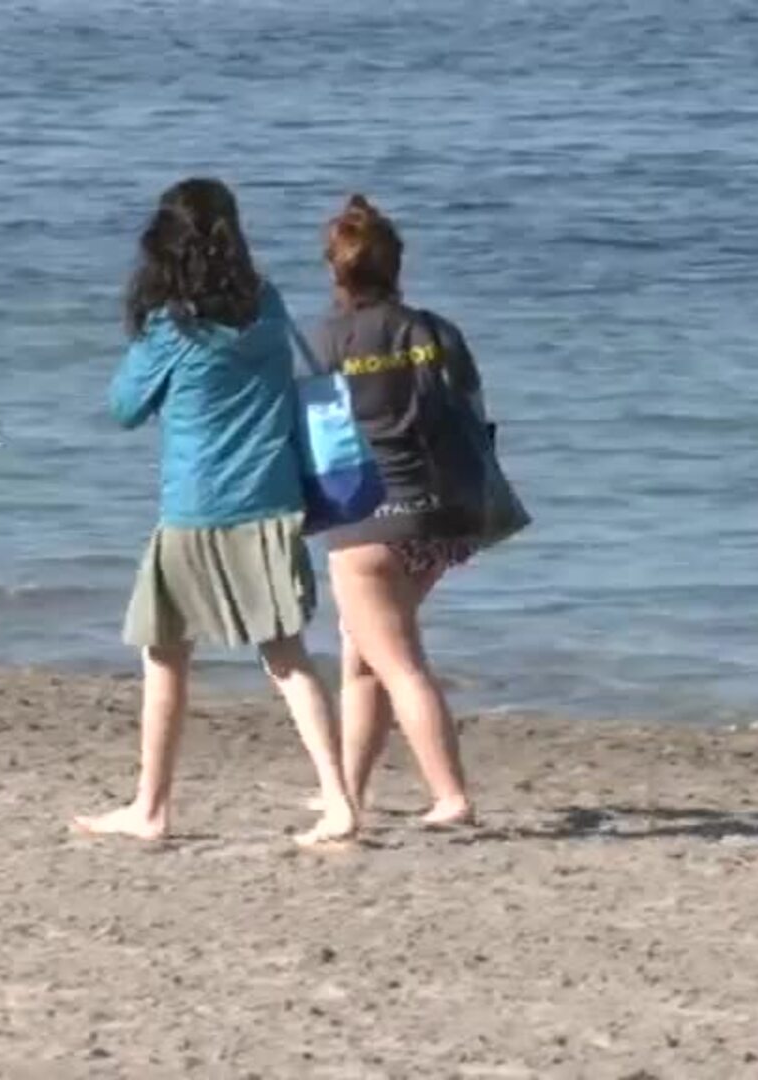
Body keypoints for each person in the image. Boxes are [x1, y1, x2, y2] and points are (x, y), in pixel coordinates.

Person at [73, 178, 358, 846]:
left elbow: (122, 408)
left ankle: (152, 808)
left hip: (197, 503)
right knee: (286, 653)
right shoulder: (267, 302)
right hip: (271, 495)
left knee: (166, 655)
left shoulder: (174, 327)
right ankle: (340, 799)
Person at [312, 195, 492, 828]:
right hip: (439, 520)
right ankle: (350, 791)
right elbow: (470, 414)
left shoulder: (323, 342)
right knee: (363, 655)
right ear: (395, 267)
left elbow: (308, 437)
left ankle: (451, 796)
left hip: (366, 524)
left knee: (398, 664)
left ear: (337, 271)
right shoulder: (434, 330)